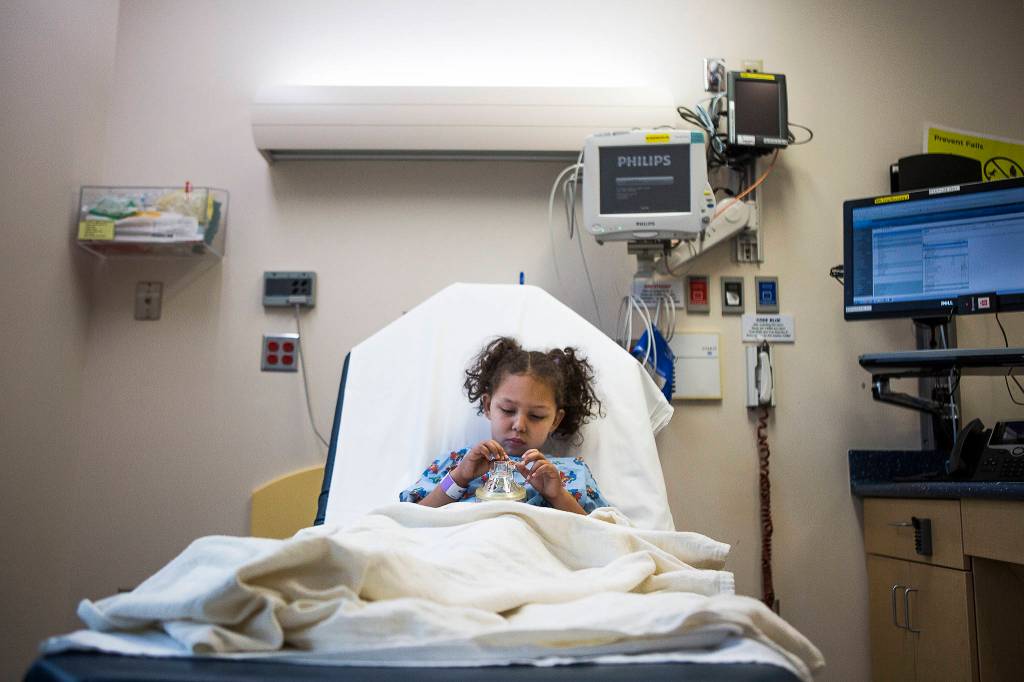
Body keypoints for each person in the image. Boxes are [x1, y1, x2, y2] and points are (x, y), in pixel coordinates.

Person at [400, 336, 610, 515]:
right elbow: (413, 518)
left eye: (536, 416)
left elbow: (600, 535)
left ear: (555, 420)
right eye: (508, 411)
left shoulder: (571, 472)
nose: (519, 425)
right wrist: (460, 478)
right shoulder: (458, 463)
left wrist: (558, 496)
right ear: (488, 405)